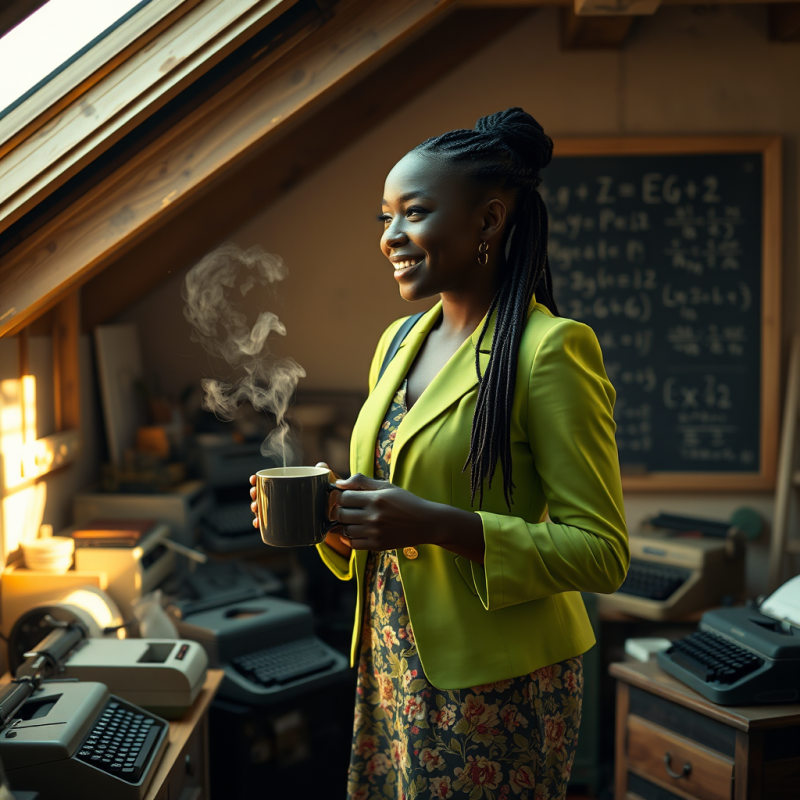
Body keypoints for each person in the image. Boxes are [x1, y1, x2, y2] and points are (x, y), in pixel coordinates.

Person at [250, 107, 628, 800]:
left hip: (497, 688)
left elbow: (601, 552)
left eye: (413, 213)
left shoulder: (553, 350)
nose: (391, 238)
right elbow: (396, 505)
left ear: (488, 220)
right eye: (383, 218)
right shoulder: (397, 342)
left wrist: (436, 524)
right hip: (390, 659)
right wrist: (336, 515)